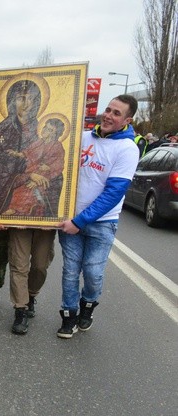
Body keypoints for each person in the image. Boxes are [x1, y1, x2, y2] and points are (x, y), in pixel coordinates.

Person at [56, 95, 140, 338]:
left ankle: (88, 306)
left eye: (116, 113)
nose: (109, 115)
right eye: (108, 109)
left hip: (101, 223)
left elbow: (113, 193)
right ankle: (68, 315)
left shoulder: (127, 149)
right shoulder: (82, 138)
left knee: (93, 272)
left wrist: (79, 221)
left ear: (127, 119)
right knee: (70, 271)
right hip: (70, 220)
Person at [0, 79, 42, 215]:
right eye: (21, 98)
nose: (26, 104)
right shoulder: (0, 131)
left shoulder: (42, 131)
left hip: (31, 195)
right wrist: (26, 174)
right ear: (12, 101)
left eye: (30, 98)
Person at [2, 118, 66, 217]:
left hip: (46, 175)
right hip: (32, 171)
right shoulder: (39, 142)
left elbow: (59, 164)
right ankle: (14, 208)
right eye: (45, 127)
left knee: (30, 189)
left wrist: (48, 168)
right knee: (20, 188)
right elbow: (28, 152)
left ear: (55, 134)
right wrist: (17, 154)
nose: (45, 130)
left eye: (50, 130)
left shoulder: (57, 146)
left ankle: (17, 209)